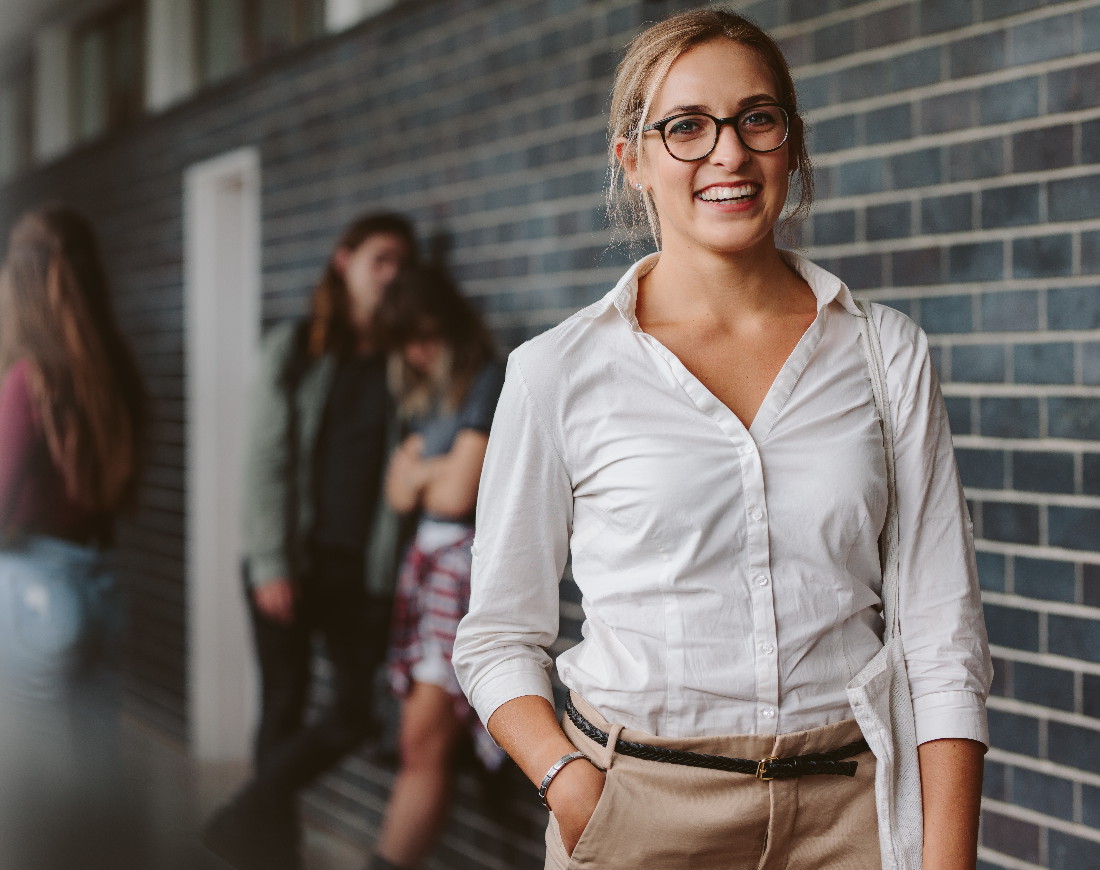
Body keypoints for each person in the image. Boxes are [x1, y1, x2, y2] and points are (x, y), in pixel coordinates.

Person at [453, 9, 992, 870]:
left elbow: (942, 633)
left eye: (757, 118)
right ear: (632, 162)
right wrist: (571, 783)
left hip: (850, 812)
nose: (729, 153)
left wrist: (947, 859)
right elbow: (494, 638)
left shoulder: (886, 353)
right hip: (637, 812)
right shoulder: (555, 372)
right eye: (687, 127)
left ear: (791, 144)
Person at [203, 212, 418, 870]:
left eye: (401, 265)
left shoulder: (401, 357)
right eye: (380, 260)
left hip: (359, 570)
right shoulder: (295, 347)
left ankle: (239, 818)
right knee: (284, 703)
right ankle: (272, 855)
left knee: (354, 709)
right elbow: (264, 461)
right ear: (342, 260)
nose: (391, 276)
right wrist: (269, 562)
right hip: (289, 560)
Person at [0, 205, 148, 866]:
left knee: (30, 797)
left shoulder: (27, 381)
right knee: (94, 778)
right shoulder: (114, 373)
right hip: (102, 586)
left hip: (34, 587)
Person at [365, 266, 504, 870]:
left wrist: (425, 473)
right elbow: (398, 491)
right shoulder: (430, 396)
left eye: (425, 337)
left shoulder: (487, 379)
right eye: (407, 342)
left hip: (461, 576)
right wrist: (431, 474)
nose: (417, 353)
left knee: (421, 742)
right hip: (425, 572)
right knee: (419, 742)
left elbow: (453, 495)